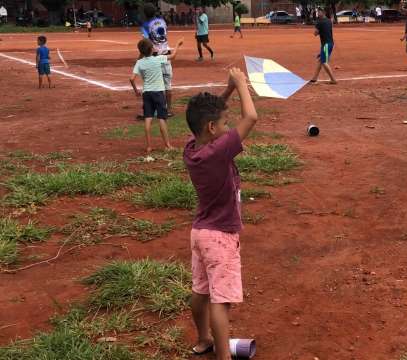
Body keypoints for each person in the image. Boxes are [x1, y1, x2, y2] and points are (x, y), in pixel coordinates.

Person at [183, 68, 258, 360]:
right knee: (220, 300)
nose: (229, 127)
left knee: (200, 290)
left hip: (200, 233)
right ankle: (224, 357)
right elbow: (251, 117)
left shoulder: (192, 149)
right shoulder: (218, 152)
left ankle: (203, 340)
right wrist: (240, 84)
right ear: (213, 129)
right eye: (225, 123)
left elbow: (208, 117)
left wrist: (225, 93)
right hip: (221, 236)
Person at [130, 37, 184, 153]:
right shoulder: (158, 59)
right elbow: (173, 56)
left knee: (148, 118)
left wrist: (136, 91)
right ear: (151, 49)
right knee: (161, 119)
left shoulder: (139, 62)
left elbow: (132, 79)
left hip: (147, 93)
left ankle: (149, 146)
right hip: (158, 93)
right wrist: (178, 44)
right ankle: (167, 145)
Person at [141, 3, 176, 117]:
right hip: (166, 55)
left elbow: (146, 44)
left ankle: (156, 108)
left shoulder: (146, 25)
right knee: (167, 85)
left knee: (155, 84)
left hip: (155, 57)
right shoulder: (162, 22)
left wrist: (140, 58)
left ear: (145, 14)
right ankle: (169, 109)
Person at [310, 9, 337, 84]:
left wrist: (316, 26)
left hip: (326, 44)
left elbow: (315, 33)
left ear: (323, 13)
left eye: (319, 12)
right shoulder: (329, 21)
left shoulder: (319, 22)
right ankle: (314, 79)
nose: (318, 13)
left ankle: (333, 79)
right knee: (320, 61)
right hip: (330, 43)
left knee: (323, 61)